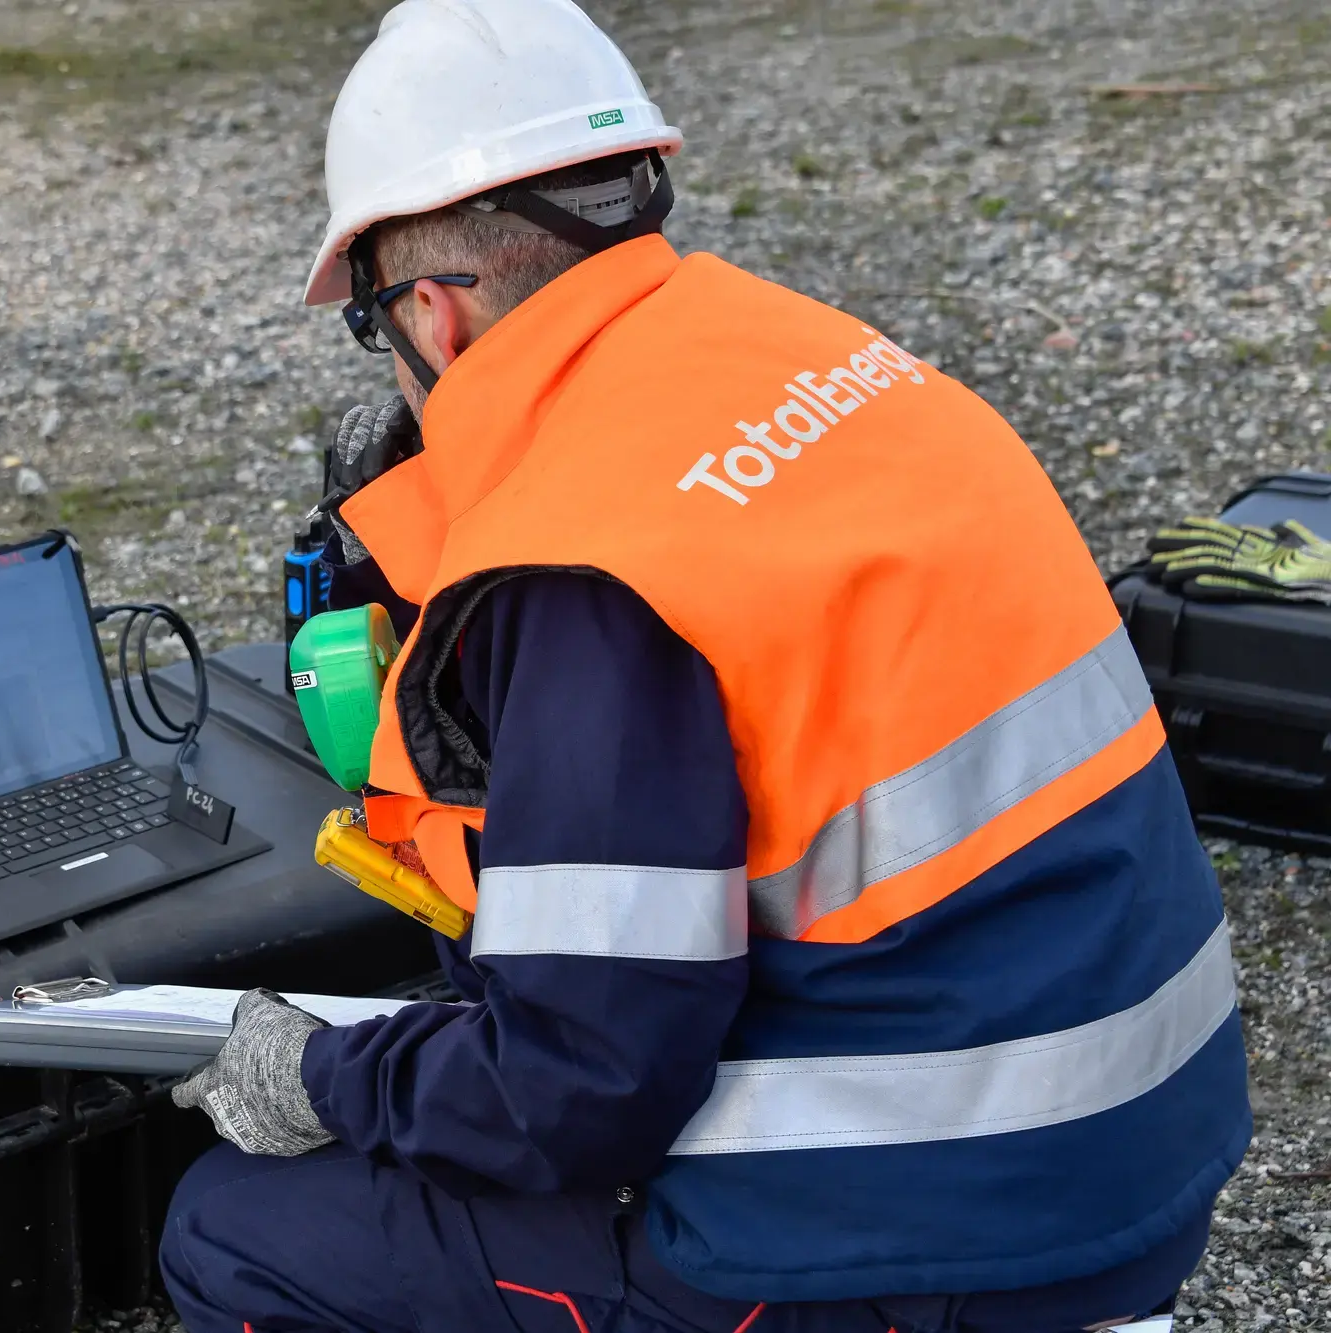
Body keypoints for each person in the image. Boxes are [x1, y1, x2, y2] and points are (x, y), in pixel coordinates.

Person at [161, 2, 1251, 1330]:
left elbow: (577, 1092)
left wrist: (327, 1078)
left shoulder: (580, 563)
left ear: (433, 316)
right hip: (1131, 1147)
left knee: (236, 1229)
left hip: (947, 1245)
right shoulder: (831, 363)